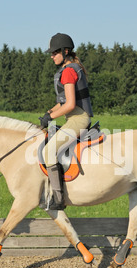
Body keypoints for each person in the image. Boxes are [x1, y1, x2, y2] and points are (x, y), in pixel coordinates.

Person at [39, 33, 94, 210]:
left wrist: (52, 117)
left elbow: (70, 105)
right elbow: (62, 102)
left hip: (78, 119)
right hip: (75, 117)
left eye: (55, 52)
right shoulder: (71, 68)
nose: (51, 56)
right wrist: (49, 113)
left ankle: (58, 198)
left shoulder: (69, 71)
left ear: (65, 51)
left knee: (49, 151)